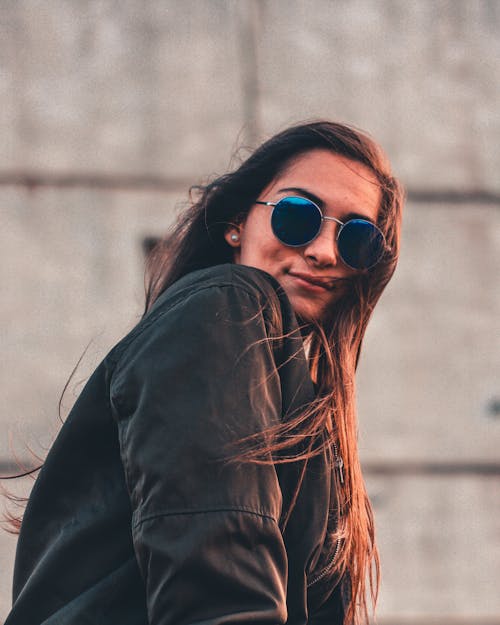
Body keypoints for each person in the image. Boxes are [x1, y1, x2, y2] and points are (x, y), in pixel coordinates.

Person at [3, 120, 404, 625]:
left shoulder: (297, 391)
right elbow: (219, 575)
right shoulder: (227, 307)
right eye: (298, 215)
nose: (324, 251)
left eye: (357, 239)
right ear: (238, 222)